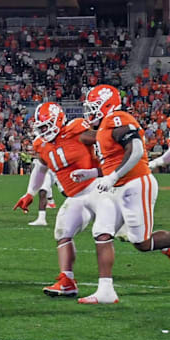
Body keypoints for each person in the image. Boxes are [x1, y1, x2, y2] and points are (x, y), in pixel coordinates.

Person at [70, 84, 170, 304]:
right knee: (102, 232)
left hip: (135, 184)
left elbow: (135, 152)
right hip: (116, 186)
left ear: (107, 105)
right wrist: (91, 173)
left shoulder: (118, 119)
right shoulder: (104, 128)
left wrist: (112, 177)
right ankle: (106, 291)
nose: (90, 111)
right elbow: (112, 163)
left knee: (141, 243)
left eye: (94, 106)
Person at [14, 103, 117, 301]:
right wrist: (29, 194)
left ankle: (164, 246)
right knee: (63, 232)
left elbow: (103, 138)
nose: (43, 131)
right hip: (75, 197)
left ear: (58, 120)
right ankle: (67, 281)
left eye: (46, 126)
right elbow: (41, 168)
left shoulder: (75, 130)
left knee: (135, 237)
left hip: (98, 188)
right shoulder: (41, 145)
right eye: (40, 127)